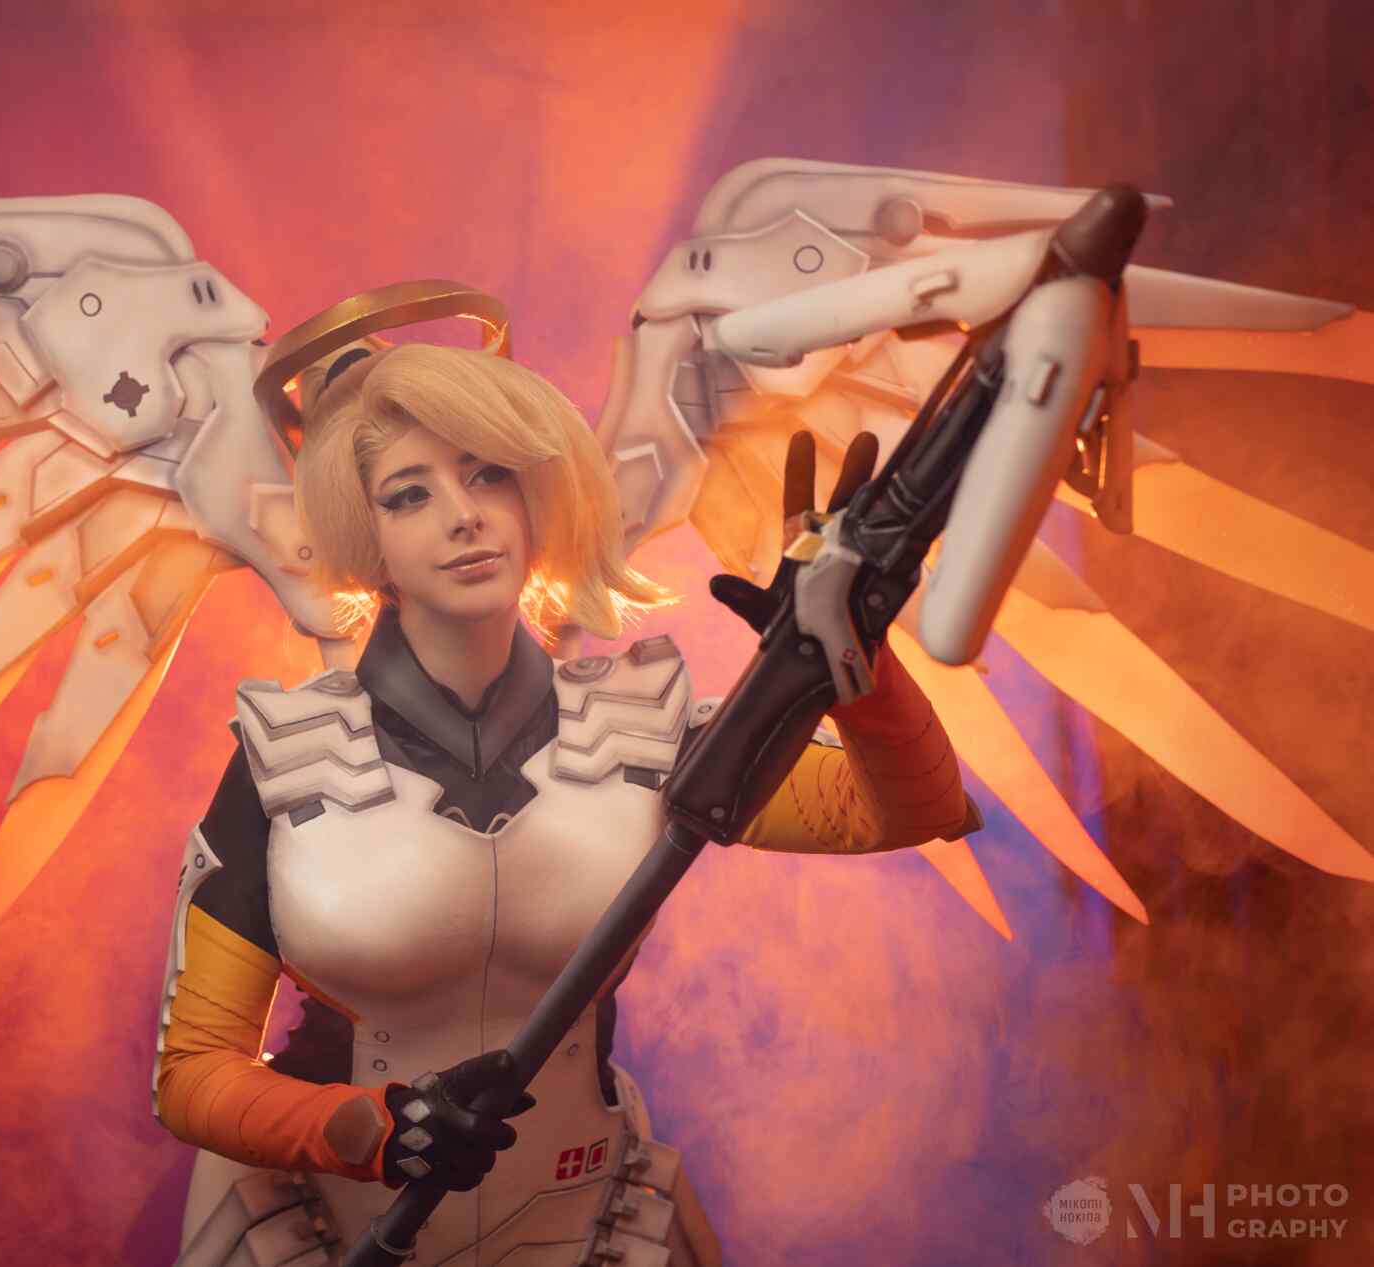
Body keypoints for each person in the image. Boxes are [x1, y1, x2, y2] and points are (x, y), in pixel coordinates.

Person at [152, 342, 973, 1266]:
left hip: (591, 1227)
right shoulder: (284, 756)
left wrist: (857, 659)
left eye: (488, 475)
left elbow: (907, 809)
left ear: (535, 496)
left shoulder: (644, 727)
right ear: (365, 537)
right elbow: (192, 1074)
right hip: (320, 1232)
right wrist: (370, 1128)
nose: (464, 515)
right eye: (409, 495)